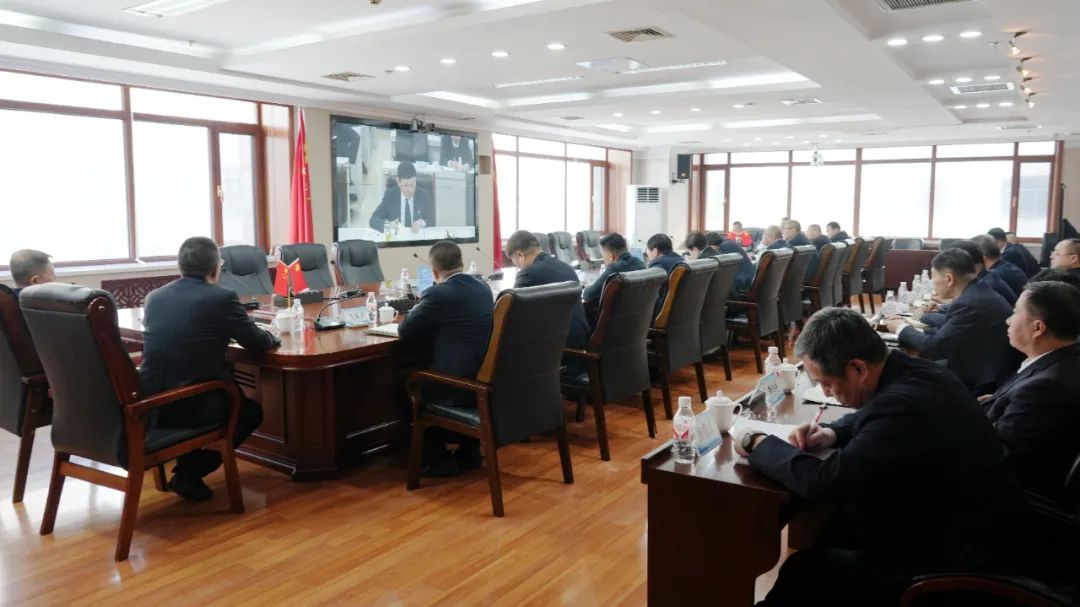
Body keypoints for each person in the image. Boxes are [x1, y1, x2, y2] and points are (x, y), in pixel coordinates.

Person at [740, 308, 1032, 607]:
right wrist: (831, 433)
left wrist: (756, 442)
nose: (826, 393)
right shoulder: (920, 372)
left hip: (957, 557)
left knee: (804, 571)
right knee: (833, 526)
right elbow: (874, 415)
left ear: (858, 369)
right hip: (960, 517)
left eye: (827, 383)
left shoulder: (902, 405)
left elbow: (825, 482)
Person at [139, 237, 278, 501]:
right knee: (249, 412)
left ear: (180, 267)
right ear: (216, 269)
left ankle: (187, 469)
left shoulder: (154, 297)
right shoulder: (221, 298)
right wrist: (274, 336)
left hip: (154, 403)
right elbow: (257, 342)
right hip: (194, 403)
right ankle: (189, 473)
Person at [398, 241, 493, 475]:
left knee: (402, 385)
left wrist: (417, 307)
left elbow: (405, 330)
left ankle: (435, 458)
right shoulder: (483, 288)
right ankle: (469, 451)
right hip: (483, 378)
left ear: (434, 272)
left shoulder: (438, 293)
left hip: (455, 384)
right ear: (461, 263)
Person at [981, 281, 1080, 504]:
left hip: (1006, 497)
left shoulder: (1045, 389)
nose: (1008, 320)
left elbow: (998, 454)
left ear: (1038, 328)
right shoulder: (1063, 359)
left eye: (1015, 312)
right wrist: (1000, 402)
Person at [886, 248, 1019, 394]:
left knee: (906, 371)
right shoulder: (977, 291)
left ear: (949, 279)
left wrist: (900, 328)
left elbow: (934, 348)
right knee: (916, 364)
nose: (932, 281)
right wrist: (915, 330)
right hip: (979, 362)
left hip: (983, 379)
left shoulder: (969, 303)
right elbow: (948, 333)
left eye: (933, 276)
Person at [505, 230, 590, 375]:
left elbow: (511, 315)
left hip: (557, 353)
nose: (519, 268)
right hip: (580, 345)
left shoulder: (528, 274)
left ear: (520, 255)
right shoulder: (566, 267)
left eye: (516, 264)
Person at [582, 232, 646, 320]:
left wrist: (588, 287)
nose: (604, 259)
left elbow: (588, 295)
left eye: (603, 255)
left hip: (616, 322)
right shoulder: (641, 263)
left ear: (610, 255)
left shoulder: (614, 269)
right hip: (639, 320)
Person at [368, 161, 435, 232]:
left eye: (412, 184)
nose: (410, 189)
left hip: (417, 236)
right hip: (397, 237)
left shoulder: (423, 195)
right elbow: (374, 220)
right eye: (405, 185)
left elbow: (432, 220)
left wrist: (422, 223)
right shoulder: (390, 196)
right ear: (398, 181)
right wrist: (389, 224)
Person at [646, 233, 684, 317]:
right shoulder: (682, 260)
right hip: (681, 310)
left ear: (655, 251)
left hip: (664, 314)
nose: (647, 255)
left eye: (647, 250)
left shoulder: (657, 265)